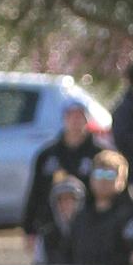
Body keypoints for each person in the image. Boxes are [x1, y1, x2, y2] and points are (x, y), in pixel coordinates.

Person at [23, 99, 103, 249]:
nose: (75, 121)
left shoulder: (99, 155)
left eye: (80, 116)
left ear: (87, 119)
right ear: (64, 119)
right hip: (51, 227)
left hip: (90, 227)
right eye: (71, 116)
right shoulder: (47, 155)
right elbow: (35, 192)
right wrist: (29, 229)